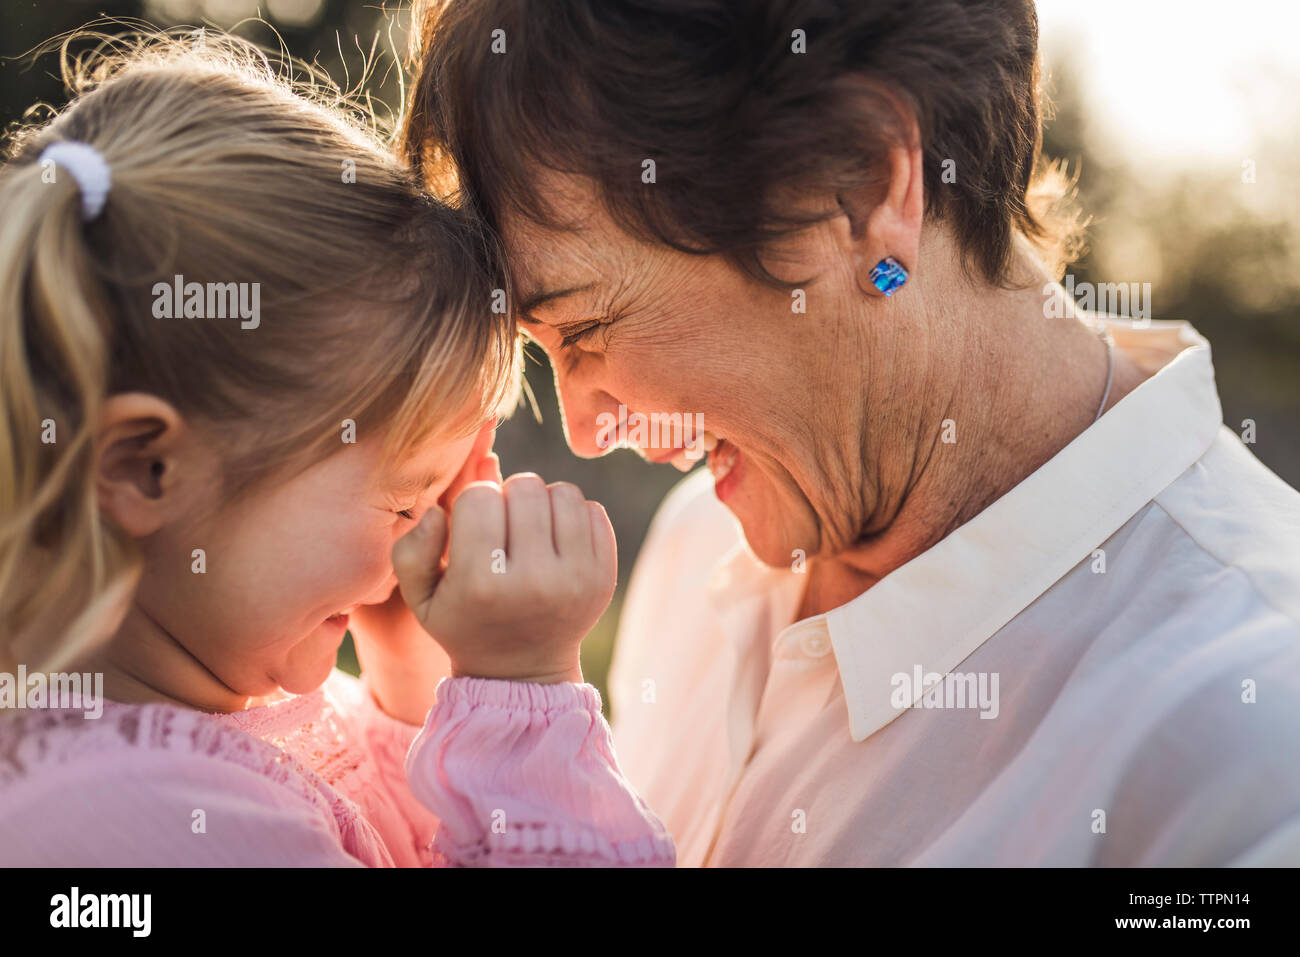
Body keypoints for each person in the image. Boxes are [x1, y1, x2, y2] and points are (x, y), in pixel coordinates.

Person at [402, 0, 1300, 864]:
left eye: (589, 330)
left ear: (862, 185)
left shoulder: (1250, 748)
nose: (588, 433)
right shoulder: (699, 540)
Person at [0, 32, 673, 868]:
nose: (428, 537)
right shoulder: (130, 826)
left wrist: (410, 681)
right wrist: (524, 701)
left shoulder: (218, 731)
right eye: (402, 502)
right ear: (147, 468)